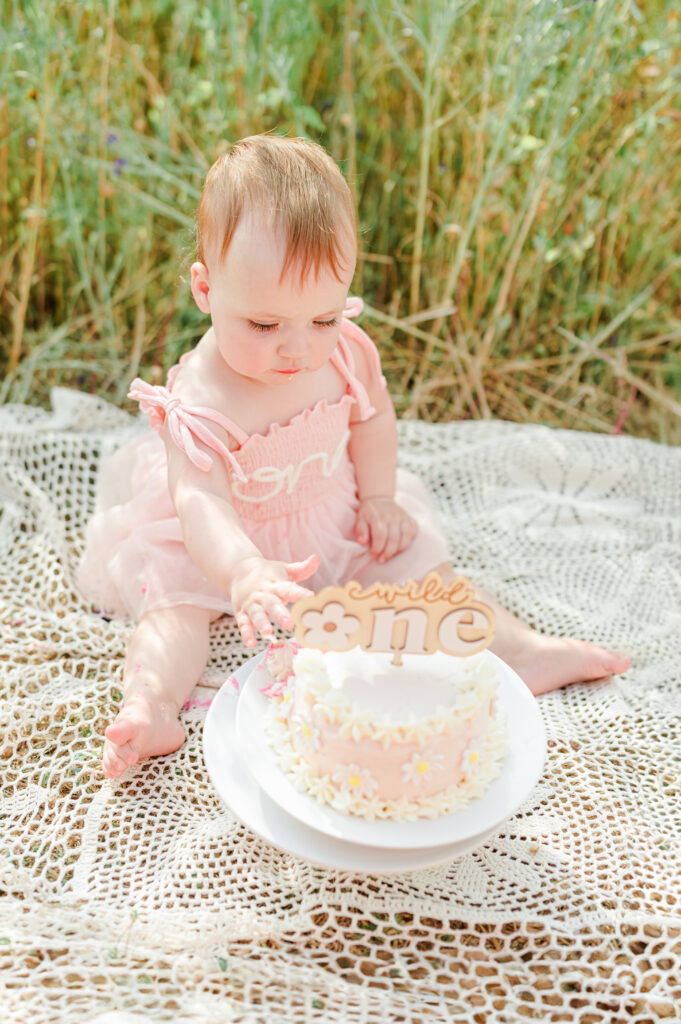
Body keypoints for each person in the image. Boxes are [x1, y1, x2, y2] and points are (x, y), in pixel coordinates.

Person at [78, 134, 630, 780]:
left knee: (425, 575)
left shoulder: (343, 352)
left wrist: (378, 498)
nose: (297, 350)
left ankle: (520, 652)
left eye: (322, 318)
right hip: (223, 539)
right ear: (204, 288)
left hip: (327, 510)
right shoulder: (199, 397)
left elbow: (372, 419)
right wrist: (243, 572)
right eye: (264, 325)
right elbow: (199, 501)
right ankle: (151, 705)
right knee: (174, 614)